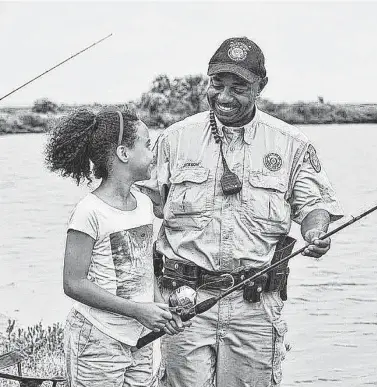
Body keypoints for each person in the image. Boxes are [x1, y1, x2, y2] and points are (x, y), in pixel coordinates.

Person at [138, 37, 344, 387]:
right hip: (182, 303)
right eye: (217, 85)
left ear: (261, 86)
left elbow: (315, 206)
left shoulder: (291, 143)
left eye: (238, 87)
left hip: (255, 307)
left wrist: (315, 232)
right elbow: (140, 210)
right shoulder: (174, 139)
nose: (224, 97)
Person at [44, 107, 188, 387]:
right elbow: (73, 284)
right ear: (123, 154)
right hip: (97, 339)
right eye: (147, 146)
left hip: (140, 337)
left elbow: (144, 270)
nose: (153, 154)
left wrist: (159, 308)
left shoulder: (145, 205)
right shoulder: (89, 212)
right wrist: (136, 310)